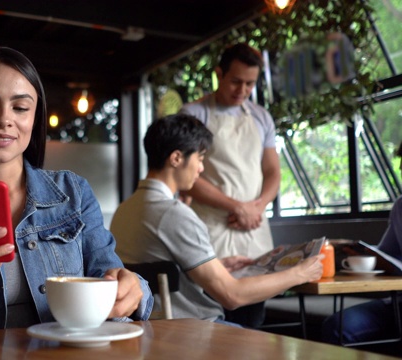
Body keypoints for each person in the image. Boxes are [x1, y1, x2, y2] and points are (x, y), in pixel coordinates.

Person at [0, 45, 152, 333]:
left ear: (34, 118)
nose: (4, 119)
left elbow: (109, 277)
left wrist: (132, 289)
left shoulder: (74, 193)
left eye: (20, 108)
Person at [110, 113, 322, 326]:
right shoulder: (174, 213)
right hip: (190, 329)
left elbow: (160, 268)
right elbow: (232, 296)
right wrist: (300, 273)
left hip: (146, 328)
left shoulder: (124, 210)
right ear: (176, 158)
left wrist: (217, 265)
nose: (201, 168)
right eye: (200, 158)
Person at [179, 43, 281, 327]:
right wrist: (237, 206)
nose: (243, 90)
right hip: (211, 230)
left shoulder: (262, 117)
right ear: (219, 73)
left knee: (253, 324)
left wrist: (257, 206)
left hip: (254, 229)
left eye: (250, 84)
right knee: (212, 323)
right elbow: (187, 179)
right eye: (236, 81)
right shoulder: (194, 113)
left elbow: (273, 172)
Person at [321, 141, 402, 345]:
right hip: (397, 302)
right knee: (337, 326)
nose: (401, 169)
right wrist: (362, 253)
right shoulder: (400, 207)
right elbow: (386, 254)